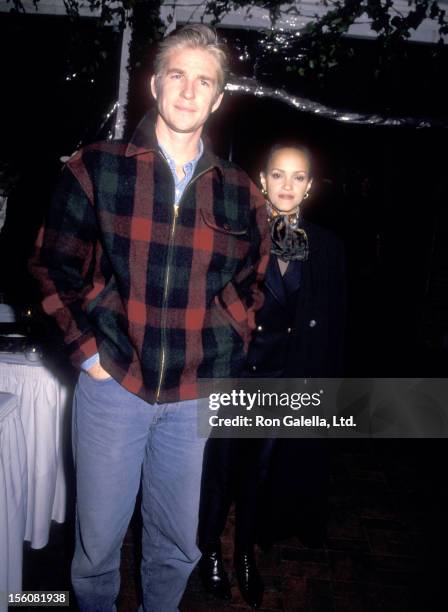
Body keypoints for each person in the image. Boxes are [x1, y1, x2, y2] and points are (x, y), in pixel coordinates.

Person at [29, 24, 269, 612]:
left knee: (176, 545)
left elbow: (250, 284)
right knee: (97, 547)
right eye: (178, 76)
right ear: (156, 82)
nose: (189, 92)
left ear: (218, 99)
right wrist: (87, 353)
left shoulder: (242, 193)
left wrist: (225, 345)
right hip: (115, 389)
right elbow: (49, 267)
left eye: (204, 81)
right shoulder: (97, 169)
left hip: (190, 397)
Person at [198, 143, 345, 608]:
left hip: (285, 378)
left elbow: (331, 327)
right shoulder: (237, 234)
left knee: (260, 474)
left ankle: (244, 553)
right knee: (219, 472)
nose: (286, 185)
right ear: (262, 180)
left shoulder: (328, 248)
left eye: (297, 177)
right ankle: (209, 552)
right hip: (238, 375)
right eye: (277, 175)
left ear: (309, 185)